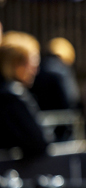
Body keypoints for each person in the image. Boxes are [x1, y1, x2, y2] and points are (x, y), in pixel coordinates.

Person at [0, 31, 49, 159]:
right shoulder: (13, 95)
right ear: (17, 64)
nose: (35, 69)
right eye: (32, 63)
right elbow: (39, 141)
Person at [31, 37, 81, 142]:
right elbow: (71, 99)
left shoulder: (38, 69)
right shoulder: (62, 71)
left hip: (41, 123)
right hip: (62, 125)